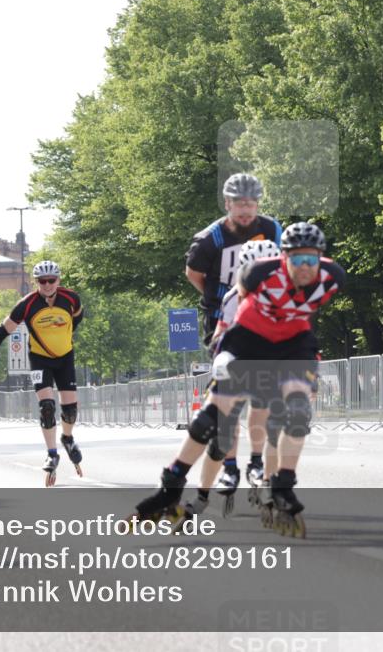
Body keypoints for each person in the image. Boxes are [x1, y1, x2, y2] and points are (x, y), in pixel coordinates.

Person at [135, 222, 345, 537]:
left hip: (293, 344)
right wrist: (224, 357)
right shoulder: (256, 275)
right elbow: (233, 319)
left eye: (311, 260)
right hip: (248, 340)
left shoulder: (333, 278)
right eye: (297, 260)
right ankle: (172, 486)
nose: (305, 267)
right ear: (283, 258)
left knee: (298, 412)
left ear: (321, 259)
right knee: (210, 420)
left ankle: (282, 486)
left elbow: (305, 316)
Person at [184, 173, 282, 505]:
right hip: (222, 317)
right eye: (239, 204)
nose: (245, 211)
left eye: (250, 204)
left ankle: (255, 462)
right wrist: (221, 297)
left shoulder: (271, 229)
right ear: (227, 204)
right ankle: (228, 465)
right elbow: (194, 274)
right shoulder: (210, 238)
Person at [0, 260, 84, 486]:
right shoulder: (26, 305)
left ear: (58, 280)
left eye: (51, 280)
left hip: (65, 358)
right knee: (47, 407)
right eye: (42, 281)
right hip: (39, 359)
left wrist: (61, 337)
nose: (47, 285)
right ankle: (52, 453)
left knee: (70, 411)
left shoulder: (72, 299)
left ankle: (67, 437)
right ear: (36, 283)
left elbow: (77, 319)